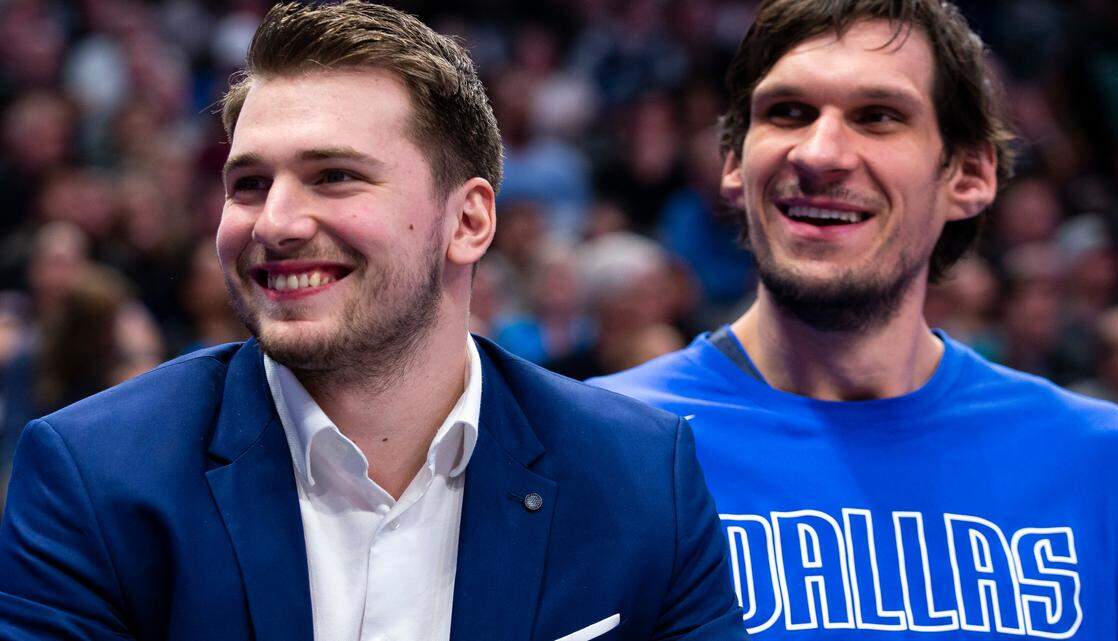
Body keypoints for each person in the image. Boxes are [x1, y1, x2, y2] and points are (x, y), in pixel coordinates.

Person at [0, 3, 746, 641]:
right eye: (250, 183)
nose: (277, 222)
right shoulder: (96, 476)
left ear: (469, 220)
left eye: (335, 176)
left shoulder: (640, 475)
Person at [591, 0, 1118, 638]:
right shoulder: (594, 454)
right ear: (735, 165)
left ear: (969, 173)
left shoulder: (1106, 468)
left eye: (878, 117)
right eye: (788, 113)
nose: (820, 153)